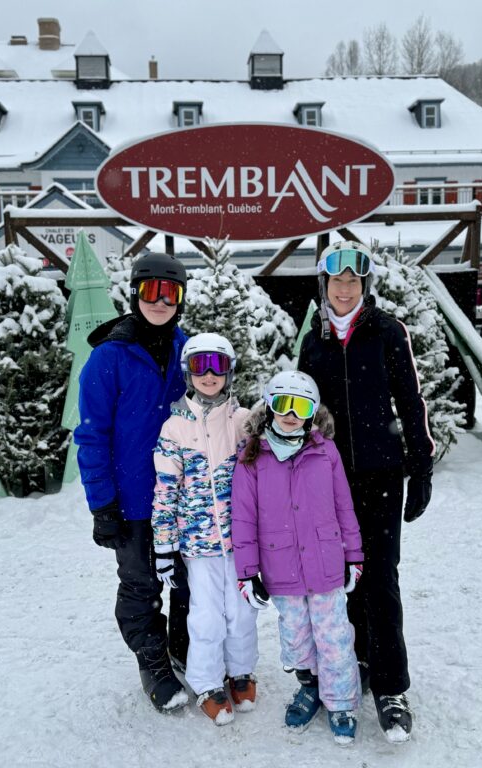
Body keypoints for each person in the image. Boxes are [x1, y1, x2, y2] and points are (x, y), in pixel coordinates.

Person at [297, 240, 435, 743]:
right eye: (336, 282)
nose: (344, 290)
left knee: (380, 578)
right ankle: (355, 661)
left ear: (364, 285)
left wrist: (419, 468)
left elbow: (411, 399)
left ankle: (392, 688)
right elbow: (303, 416)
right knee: (340, 578)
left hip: (379, 478)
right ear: (325, 286)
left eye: (353, 282)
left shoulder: (387, 333)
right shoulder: (313, 344)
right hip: (331, 482)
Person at [74, 251, 191, 713]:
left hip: (184, 496)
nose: (159, 301)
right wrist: (103, 503)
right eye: (150, 291)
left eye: (170, 292)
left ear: (180, 299)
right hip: (133, 499)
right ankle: (152, 660)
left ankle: (185, 645)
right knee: (141, 582)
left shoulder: (189, 351)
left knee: (190, 578)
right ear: (135, 293)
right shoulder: (110, 357)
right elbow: (92, 435)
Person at [232, 370, 365, 745]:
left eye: (301, 405)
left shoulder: (326, 451)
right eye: (282, 403)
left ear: (311, 412)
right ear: (269, 406)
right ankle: (309, 687)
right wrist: (247, 572)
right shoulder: (252, 455)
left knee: (334, 635)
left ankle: (340, 701)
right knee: (296, 635)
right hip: (281, 566)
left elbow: (344, 506)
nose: (290, 413)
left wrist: (353, 555)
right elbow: (242, 517)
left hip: (324, 563)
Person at [150, 332, 259, 726]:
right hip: (199, 545)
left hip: (242, 541)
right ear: (188, 372)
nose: (209, 374)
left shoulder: (244, 421)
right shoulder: (174, 429)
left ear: (229, 371)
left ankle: (241, 671)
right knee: (207, 617)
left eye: (217, 365)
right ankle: (208, 682)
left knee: (242, 612)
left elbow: (265, 477)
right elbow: (164, 492)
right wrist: (164, 546)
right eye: (200, 365)